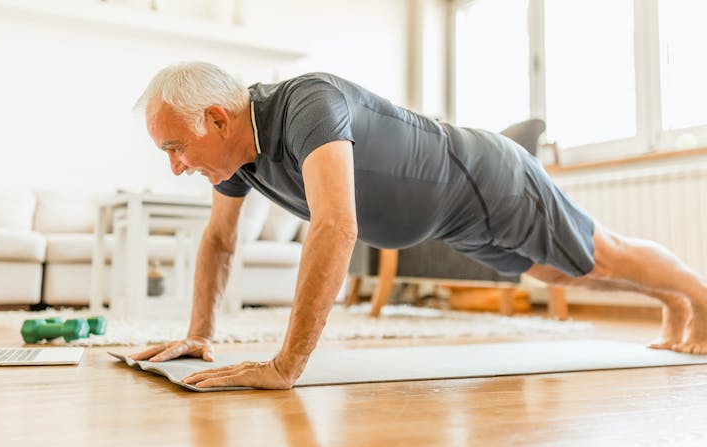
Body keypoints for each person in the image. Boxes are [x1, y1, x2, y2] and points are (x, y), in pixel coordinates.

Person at [128, 62, 707, 389]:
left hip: (488, 177)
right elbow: (220, 240)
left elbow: (336, 227)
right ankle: (674, 302)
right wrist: (199, 333)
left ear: (216, 118)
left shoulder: (307, 104)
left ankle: (696, 297)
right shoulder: (237, 160)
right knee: (562, 276)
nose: (175, 166)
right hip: (451, 220)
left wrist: (285, 367)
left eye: (176, 148)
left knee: (598, 254)